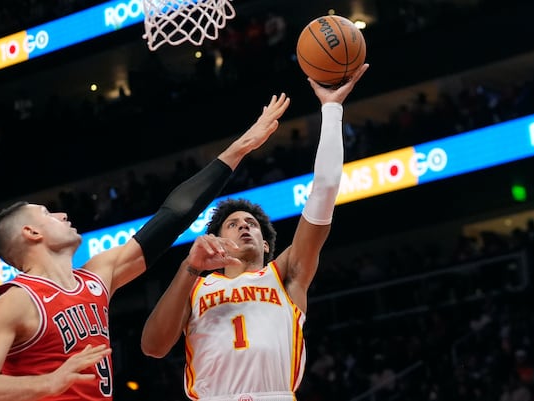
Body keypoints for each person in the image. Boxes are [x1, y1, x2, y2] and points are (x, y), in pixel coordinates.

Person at [0, 93, 291, 401]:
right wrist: (48, 383)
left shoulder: (97, 276)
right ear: (30, 232)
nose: (61, 214)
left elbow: (173, 216)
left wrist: (240, 147)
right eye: (46, 213)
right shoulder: (14, 302)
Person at [140, 63, 370, 400]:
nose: (244, 226)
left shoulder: (286, 275)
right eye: (232, 224)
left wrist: (331, 108)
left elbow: (326, 187)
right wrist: (189, 268)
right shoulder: (196, 287)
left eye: (251, 224)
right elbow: (153, 347)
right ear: (218, 240)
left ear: (265, 242)